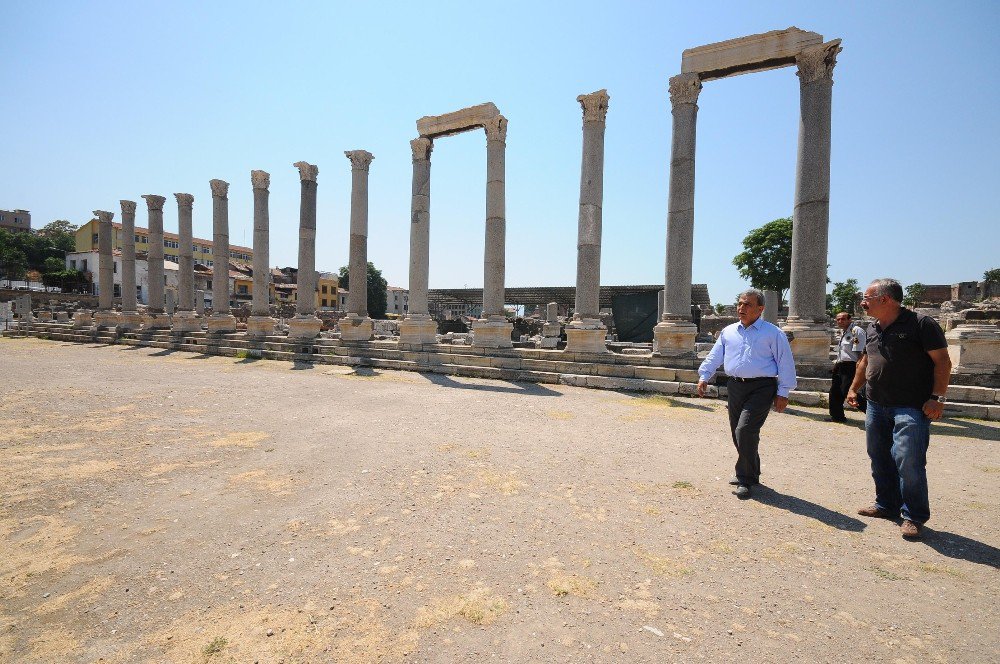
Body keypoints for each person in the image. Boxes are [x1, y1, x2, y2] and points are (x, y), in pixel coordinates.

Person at [847, 278, 951, 539]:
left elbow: (943, 362)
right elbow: (865, 361)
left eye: (867, 297)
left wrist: (937, 397)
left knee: (909, 461)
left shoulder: (921, 324)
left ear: (886, 300)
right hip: (876, 404)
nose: (863, 302)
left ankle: (914, 515)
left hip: (911, 406)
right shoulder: (872, 328)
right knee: (879, 455)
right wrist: (853, 388)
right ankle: (886, 504)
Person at [697, 288, 797, 499]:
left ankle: (744, 478)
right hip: (735, 386)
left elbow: (785, 362)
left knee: (745, 429)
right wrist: (704, 375)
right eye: (740, 303)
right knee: (738, 432)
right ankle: (752, 471)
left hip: (762, 387)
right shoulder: (729, 332)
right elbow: (716, 356)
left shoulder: (773, 333)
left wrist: (783, 392)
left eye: (747, 304)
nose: (741, 308)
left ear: (760, 309)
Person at [827, 311, 867, 422]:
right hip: (841, 365)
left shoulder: (856, 331)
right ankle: (837, 416)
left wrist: (859, 368)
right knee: (835, 391)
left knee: (848, 391)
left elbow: (860, 352)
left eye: (843, 319)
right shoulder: (844, 332)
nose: (840, 321)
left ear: (849, 319)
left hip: (851, 366)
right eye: (838, 319)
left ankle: (873, 414)